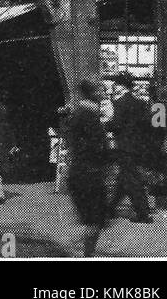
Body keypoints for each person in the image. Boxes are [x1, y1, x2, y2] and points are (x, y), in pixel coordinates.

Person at [62, 79, 111, 257]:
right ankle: (86, 255)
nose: (102, 93)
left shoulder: (80, 113)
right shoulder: (89, 116)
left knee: (90, 220)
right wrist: (109, 156)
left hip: (80, 171)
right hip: (89, 173)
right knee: (94, 220)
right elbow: (98, 146)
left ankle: (84, 253)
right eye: (99, 90)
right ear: (91, 93)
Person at [105, 71, 153, 223]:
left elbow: (116, 124)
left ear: (120, 85)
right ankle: (110, 209)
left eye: (116, 83)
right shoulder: (141, 103)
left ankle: (143, 214)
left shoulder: (120, 103)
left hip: (125, 147)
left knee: (131, 180)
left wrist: (105, 125)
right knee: (124, 178)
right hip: (138, 146)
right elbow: (148, 124)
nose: (114, 86)